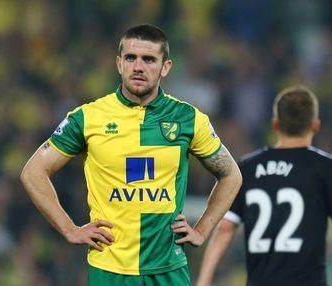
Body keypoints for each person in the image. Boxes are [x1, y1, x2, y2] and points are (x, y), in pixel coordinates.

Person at [21, 24, 242, 286]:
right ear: (119, 63)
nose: (138, 66)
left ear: (166, 67)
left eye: (149, 59)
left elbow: (231, 175)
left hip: (168, 268)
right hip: (110, 269)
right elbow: (33, 172)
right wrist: (69, 229)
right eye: (130, 58)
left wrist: (203, 230)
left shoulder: (188, 119)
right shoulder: (88, 118)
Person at [196, 86, 332, 286]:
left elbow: (225, 227)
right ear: (315, 125)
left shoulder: (248, 167)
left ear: (275, 125)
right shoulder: (324, 168)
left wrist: (204, 280)